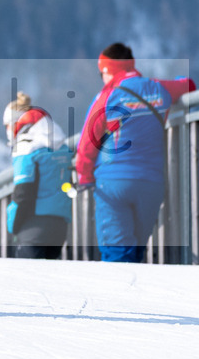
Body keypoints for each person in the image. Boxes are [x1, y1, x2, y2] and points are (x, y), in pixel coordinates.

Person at [75, 42, 194, 262]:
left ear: (108, 70)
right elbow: (188, 85)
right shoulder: (158, 88)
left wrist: (84, 176)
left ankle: (117, 295)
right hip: (151, 183)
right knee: (137, 250)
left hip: (112, 183)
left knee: (117, 254)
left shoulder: (108, 96)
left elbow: (87, 141)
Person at [3, 92, 72, 259]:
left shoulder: (26, 148)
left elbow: (23, 193)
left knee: (26, 280)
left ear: (14, 123)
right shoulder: (61, 147)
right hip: (59, 225)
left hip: (32, 226)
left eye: (6, 125)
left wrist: (13, 225)